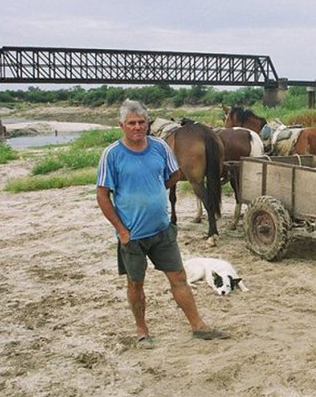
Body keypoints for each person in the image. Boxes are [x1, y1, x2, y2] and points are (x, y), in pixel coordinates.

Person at [96, 99, 228, 349]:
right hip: (131, 234)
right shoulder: (112, 155)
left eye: (141, 122)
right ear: (121, 125)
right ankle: (142, 330)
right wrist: (122, 231)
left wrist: (156, 191)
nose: (137, 127)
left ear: (147, 123)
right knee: (135, 283)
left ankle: (198, 326)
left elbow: (175, 174)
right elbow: (102, 195)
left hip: (162, 229)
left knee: (178, 277)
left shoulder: (159, 147)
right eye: (132, 123)